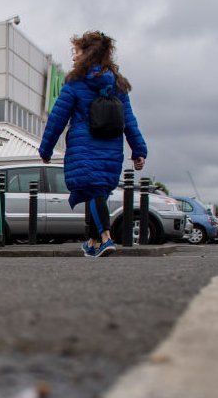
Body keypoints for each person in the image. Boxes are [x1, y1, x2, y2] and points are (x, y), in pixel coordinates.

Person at [38, 31, 147, 257]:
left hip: (84, 146)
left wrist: (46, 148)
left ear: (88, 54)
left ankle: (106, 239)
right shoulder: (118, 85)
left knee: (94, 191)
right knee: (98, 193)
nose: (73, 57)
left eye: (76, 52)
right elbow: (129, 121)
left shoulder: (75, 84)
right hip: (112, 148)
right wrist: (139, 150)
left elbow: (57, 118)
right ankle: (93, 242)